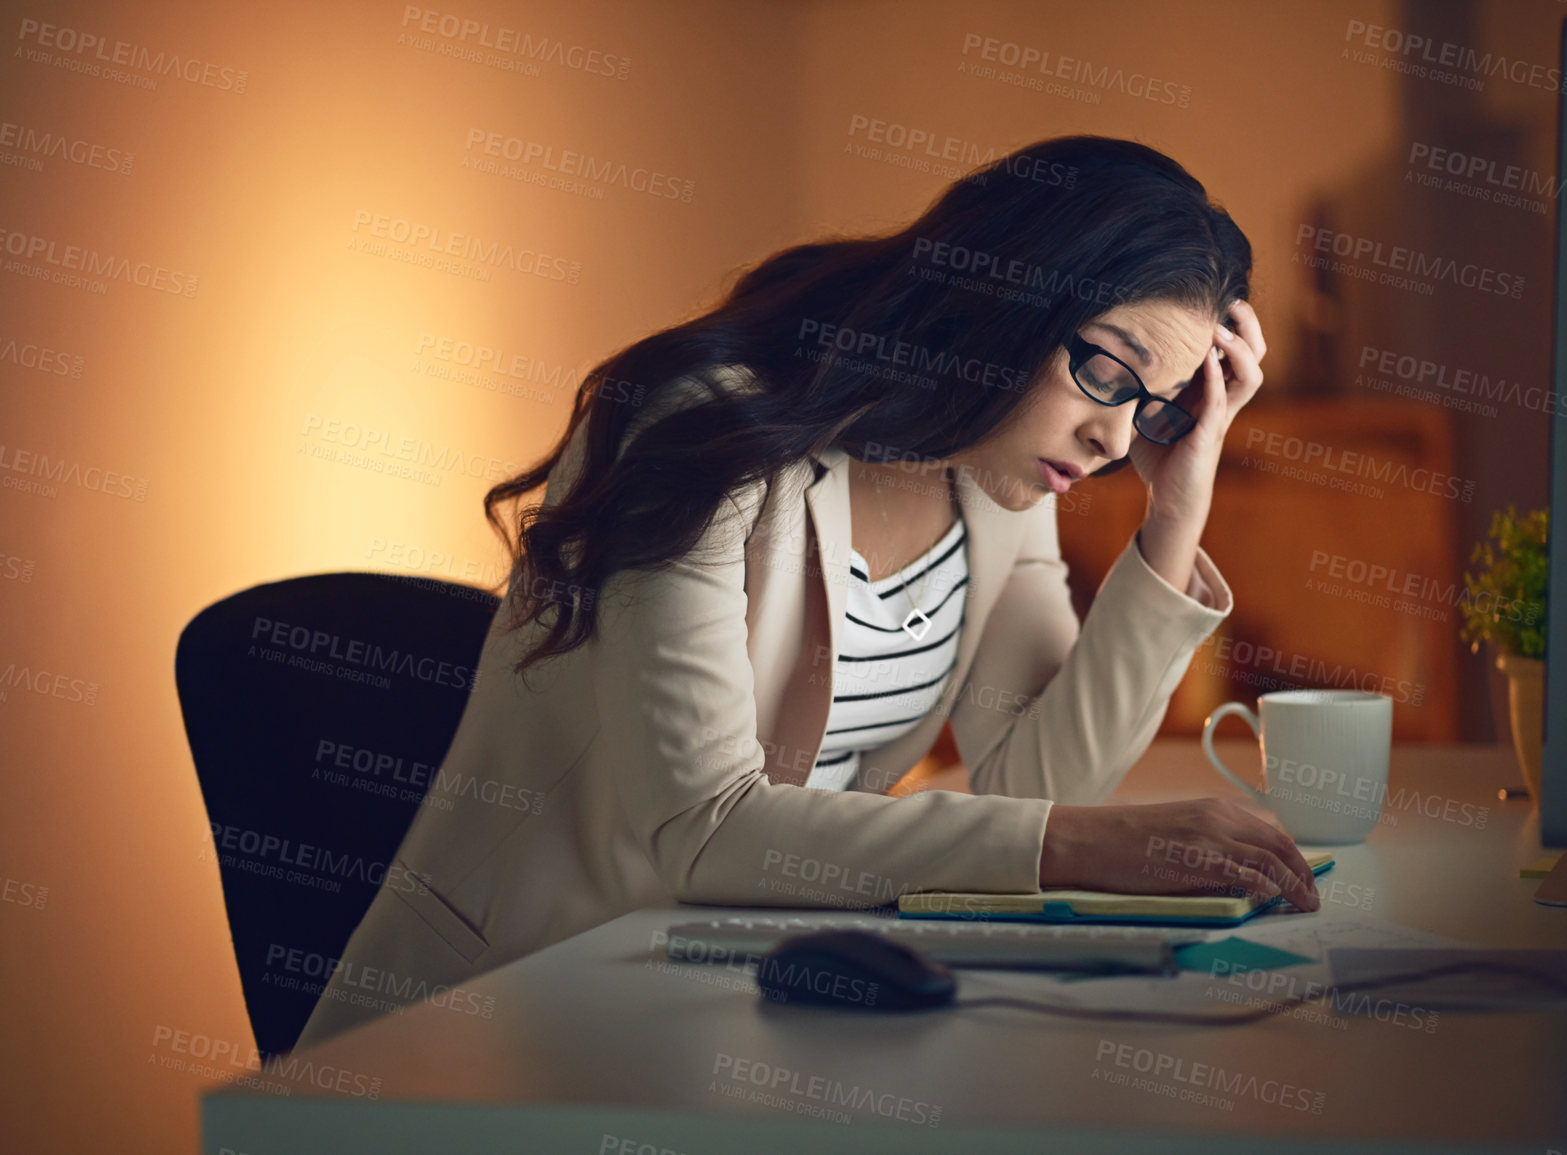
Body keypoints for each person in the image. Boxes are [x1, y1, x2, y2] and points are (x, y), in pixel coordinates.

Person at [294, 133, 1318, 1051]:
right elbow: (706, 824)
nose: (1111, 441)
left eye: (1151, 411)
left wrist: (1179, 510)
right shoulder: (699, 428)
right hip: (505, 1013)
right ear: (1007, 298)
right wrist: (1088, 847)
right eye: (1109, 374)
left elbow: (1032, 792)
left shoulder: (1002, 478)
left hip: (737, 1001)